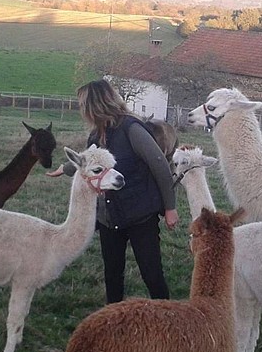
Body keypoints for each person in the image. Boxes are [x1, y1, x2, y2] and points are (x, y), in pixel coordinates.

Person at [47, 79, 179, 304]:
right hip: (110, 217)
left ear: (95, 104)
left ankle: (167, 317)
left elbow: (160, 165)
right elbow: (89, 160)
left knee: (152, 274)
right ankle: (113, 324)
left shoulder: (131, 129)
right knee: (112, 275)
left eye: (83, 105)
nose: (81, 110)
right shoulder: (96, 135)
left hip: (140, 215)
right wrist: (66, 168)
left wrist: (170, 207)